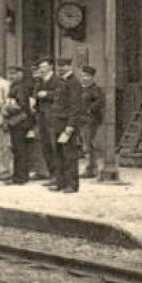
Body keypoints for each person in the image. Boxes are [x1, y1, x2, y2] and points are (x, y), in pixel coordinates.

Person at [47, 57, 85, 193]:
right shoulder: (61, 82)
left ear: (70, 67)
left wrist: (70, 126)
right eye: (59, 66)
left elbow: (75, 107)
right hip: (57, 122)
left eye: (63, 66)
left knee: (69, 155)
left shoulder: (74, 83)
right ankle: (60, 182)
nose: (61, 68)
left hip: (66, 124)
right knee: (58, 154)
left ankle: (72, 184)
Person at [4, 63, 36, 186]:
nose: (11, 76)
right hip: (17, 122)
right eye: (9, 74)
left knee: (20, 150)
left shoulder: (20, 87)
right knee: (17, 150)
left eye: (14, 73)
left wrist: (7, 108)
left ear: (20, 74)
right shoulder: (14, 86)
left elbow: (21, 106)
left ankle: (20, 177)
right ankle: (18, 175)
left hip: (20, 122)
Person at [31, 59, 57, 182]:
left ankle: (57, 174)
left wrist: (47, 94)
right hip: (41, 116)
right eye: (40, 67)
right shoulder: (39, 81)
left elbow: (60, 95)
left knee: (54, 145)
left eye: (44, 66)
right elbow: (35, 94)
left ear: (51, 67)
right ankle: (49, 172)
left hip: (52, 116)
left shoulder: (57, 80)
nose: (42, 69)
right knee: (44, 145)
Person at [79, 64, 105, 178]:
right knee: (85, 143)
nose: (85, 78)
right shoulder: (81, 89)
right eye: (83, 75)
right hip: (81, 119)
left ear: (92, 77)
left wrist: (89, 109)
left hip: (91, 120)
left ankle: (92, 168)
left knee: (88, 143)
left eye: (87, 76)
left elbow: (100, 102)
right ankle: (90, 167)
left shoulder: (95, 89)